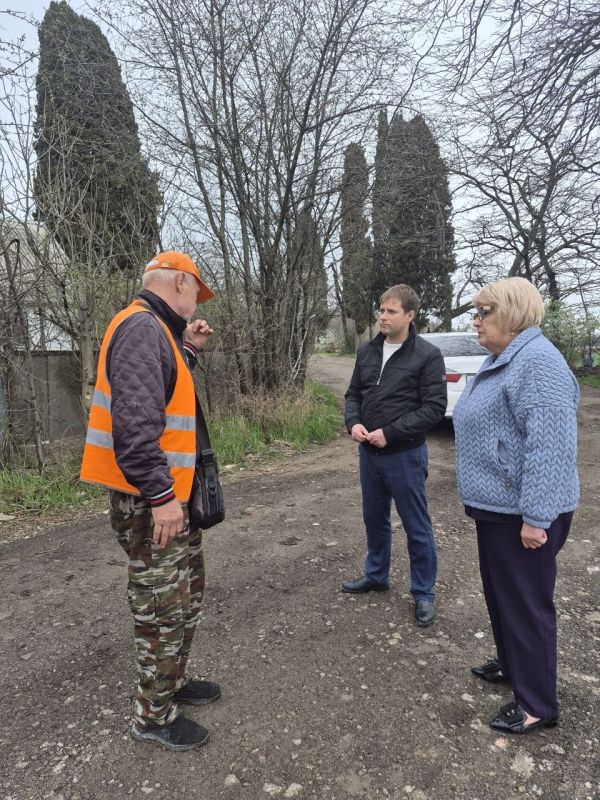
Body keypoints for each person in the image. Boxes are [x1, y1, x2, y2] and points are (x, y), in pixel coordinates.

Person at [80, 251, 221, 751]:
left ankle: (173, 684)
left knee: (186, 598)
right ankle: (153, 716)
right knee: (162, 608)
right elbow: (136, 429)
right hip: (150, 502)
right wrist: (163, 497)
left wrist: (190, 352)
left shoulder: (160, 333)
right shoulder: (142, 328)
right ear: (181, 283)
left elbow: (160, 395)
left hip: (167, 499)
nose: (196, 304)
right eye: (196, 293)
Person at [453, 277, 579, 734]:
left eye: (483, 312)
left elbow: (550, 447)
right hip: (496, 508)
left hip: (523, 514)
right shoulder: (505, 359)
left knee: (527, 605)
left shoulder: (539, 363)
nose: (477, 321)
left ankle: (537, 705)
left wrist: (536, 518)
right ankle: (511, 665)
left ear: (510, 313)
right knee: (501, 595)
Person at [342, 284, 447, 627]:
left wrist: (391, 432)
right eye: (381, 310)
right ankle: (376, 575)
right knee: (375, 520)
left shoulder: (427, 355)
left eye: (391, 311)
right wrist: (354, 422)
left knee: (416, 526)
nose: (382, 317)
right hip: (369, 455)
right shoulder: (367, 352)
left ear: (410, 315)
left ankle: (423, 593)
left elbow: (434, 408)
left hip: (406, 455)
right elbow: (353, 394)